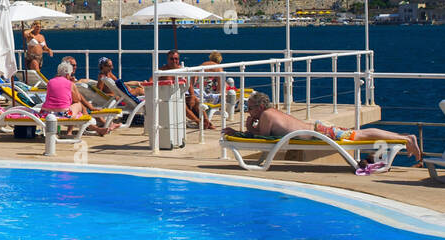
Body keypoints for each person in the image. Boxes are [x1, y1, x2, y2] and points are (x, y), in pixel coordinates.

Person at [223, 91, 422, 160]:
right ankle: (404, 137)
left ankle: (405, 139)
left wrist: (246, 129)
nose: (248, 111)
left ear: (260, 107)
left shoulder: (266, 116)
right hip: (319, 129)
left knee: (361, 135)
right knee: (360, 133)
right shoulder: (271, 112)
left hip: (320, 133)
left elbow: (263, 139)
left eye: (250, 108)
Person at [40, 62, 119, 135]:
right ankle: (72, 132)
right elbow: (77, 99)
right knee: (79, 105)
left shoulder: (50, 82)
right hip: (64, 114)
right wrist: (73, 87)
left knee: (78, 111)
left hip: (47, 113)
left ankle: (97, 129)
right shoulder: (70, 84)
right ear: (68, 75)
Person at [160, 50, 213, 129]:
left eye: (176, 59)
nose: (174, 61)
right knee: (181, 103)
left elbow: (189, 84)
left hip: (183, 94)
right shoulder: (162, 71)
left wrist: (192, 96)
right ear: (167, 60)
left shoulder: (182, 70)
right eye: (172, 59)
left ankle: (206, 121)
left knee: (196, 100)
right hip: (169, 97)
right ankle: (199, 122)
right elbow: (151, 80)